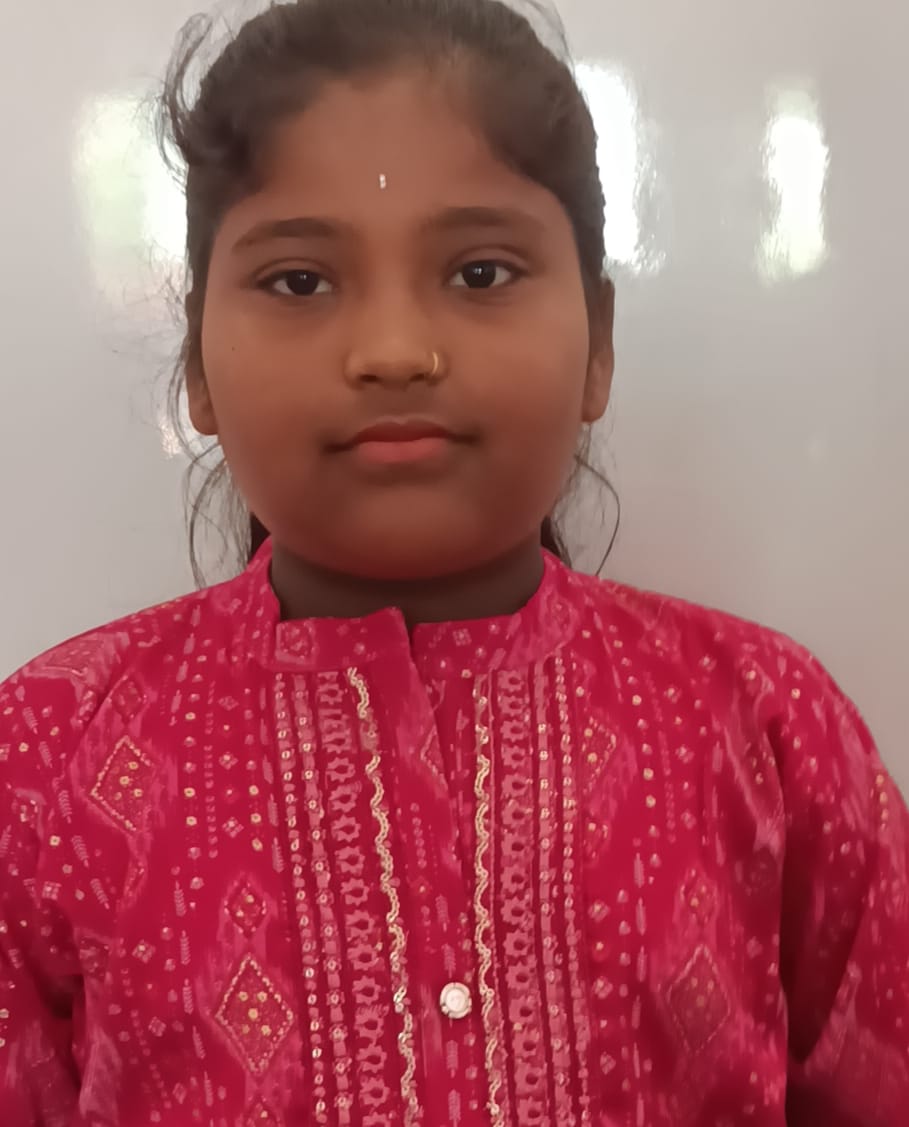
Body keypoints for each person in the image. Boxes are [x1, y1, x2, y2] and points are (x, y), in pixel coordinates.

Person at [1, 0, 907, 1122]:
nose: (394, 352)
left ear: (599, 346)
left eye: (480, 273)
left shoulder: (769, 728)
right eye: (299, 281)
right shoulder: (48, 756)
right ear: (197, 364)